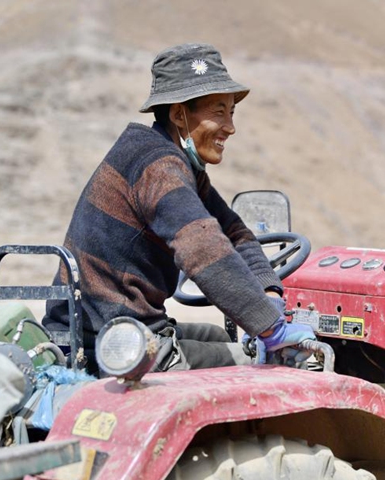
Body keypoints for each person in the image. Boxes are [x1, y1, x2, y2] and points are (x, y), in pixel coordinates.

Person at [43, 43, 314, 372]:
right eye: (218, 112)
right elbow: (202, 248)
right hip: (113, 341)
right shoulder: (159, 166)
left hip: (124, 326)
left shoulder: (174, 163)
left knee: (218, 336)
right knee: (274, 362)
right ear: (178, 114)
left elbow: (232, 231)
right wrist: (272, 330)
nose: (230, 126)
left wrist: (268, 290)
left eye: (231, 112)